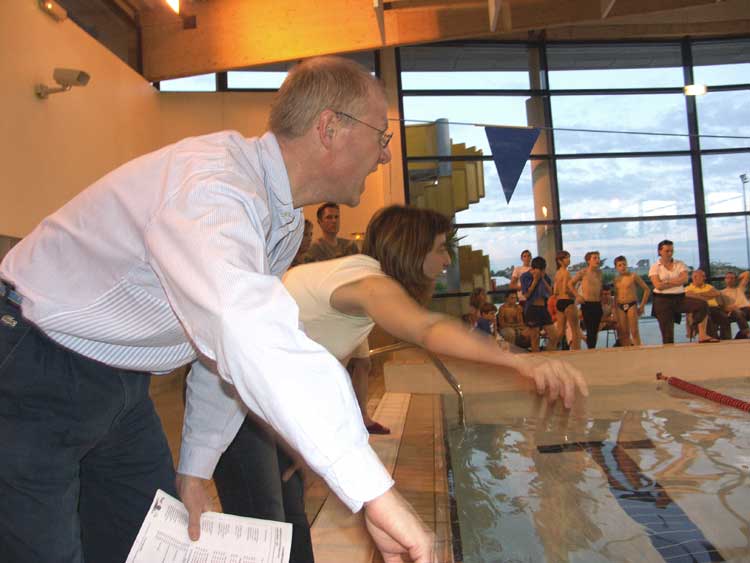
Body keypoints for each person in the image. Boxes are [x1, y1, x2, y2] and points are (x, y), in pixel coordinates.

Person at [0, 56, 437, 563]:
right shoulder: (214, 186)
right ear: (329, 128)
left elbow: (218, 351)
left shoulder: (280, 221)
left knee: (147, 549)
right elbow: (244, 328)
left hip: (121, 382)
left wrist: (195, 468)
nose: (385, 155)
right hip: (35, 362)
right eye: (382, 136)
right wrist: (373, 491)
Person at [208, 206, 589, 560]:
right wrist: (519, 361)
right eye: (440, 248)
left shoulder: (358, 286)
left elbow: (327, 370)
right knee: (266, 532)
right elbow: (426, 328)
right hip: (231, 407)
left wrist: (306, 439)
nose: (447, 260)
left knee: (289, 526)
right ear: (412, 249)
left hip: (260, 405)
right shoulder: (366, 282)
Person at [304, 202, 387, 434]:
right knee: (334, 368)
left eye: (336, 217)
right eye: (329, 217)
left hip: (352, 314)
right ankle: (332, 419)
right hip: (330, 317)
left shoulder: (349, 246)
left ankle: (363, 416)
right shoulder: (314, 251)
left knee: (364, 362)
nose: (333, 221)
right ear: (320, 222)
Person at [648, 239, 710, 345]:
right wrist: (676, 281)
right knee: (667, 334)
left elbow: (684, 279)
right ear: (660, 251)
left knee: (702, 305)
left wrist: (667, 282)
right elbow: (658, 286)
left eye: (671, 251)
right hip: (662, 301)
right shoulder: (655, 267)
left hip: (679, 298)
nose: (670, 253)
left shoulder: (680, 264)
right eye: (667, 251)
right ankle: (669, 353)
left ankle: (694, 325)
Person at [521, 256, 559, 352]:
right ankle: (536, 358)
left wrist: (542, 278)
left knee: (554, 336)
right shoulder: (525, 276)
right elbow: (526, 295)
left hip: (543, 308)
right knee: (535, 338)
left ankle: (549, 355)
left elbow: (551, 292)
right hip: (532, 308)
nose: (542, 272)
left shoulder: (545, 276)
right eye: (540, 270)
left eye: (543, 270)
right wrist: (535, 280)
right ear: (533, 269)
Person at [612, 256, 650, 346]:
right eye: (620, 265)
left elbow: (647, 289)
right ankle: (627, 351)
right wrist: (614, 312)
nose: (622, 267)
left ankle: (638, 349)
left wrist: (642, 306)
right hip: (620, 306)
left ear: (627, 265)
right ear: (616, 267)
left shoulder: (633, 276)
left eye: (624, 264)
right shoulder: (616, 280)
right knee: (624, 333)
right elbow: (616, 296)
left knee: (634, 331)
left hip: (631, 304)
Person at [569, 251, 603, 349]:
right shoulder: (583, 272)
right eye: (595, 258)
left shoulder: (599, 273)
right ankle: (590, 350)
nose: (597, 260)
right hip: (587, 303)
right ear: (588, 261)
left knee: (595, 330)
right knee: (590, 330)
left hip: (597, 303)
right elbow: (570, 284)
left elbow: (599, 288)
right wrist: (577, 296)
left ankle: (592, 349)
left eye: (598, 258)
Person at [686, 269, 729, 340]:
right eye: (702, 276)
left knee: (724, 317)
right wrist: (708, 295)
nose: (705, 278)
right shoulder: (688, 289)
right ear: (695, 277)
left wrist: (697, 294)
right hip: (700, 310)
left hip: (714, 308)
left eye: (704, 276)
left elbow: (716, 293)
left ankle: (726, 339)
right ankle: (712, 337)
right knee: (706, 316)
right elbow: (691, 297)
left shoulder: (709, 286)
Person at [552, 250, 581, 350]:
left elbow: (555, 291)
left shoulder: (557, 273)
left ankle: (551, 348)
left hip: (559, 302)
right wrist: (576, 290)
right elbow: (566, 289)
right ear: (560, 261)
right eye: (566, 258)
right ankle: (577, 353)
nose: (569, 260)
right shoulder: (566, 273)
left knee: (560, 331)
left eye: (569, 257)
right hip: (568, 302)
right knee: (575, 330)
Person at [721, 270, 750, 339]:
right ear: (725, 280)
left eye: (732, 278)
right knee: (737, 312)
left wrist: (736, 279)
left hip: (747, 309)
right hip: (734, 311)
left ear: (735, 279)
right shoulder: (722, 292)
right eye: (728, 278)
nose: (730, 280)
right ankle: (748, 333)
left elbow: (747, 273)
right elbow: (722, 306)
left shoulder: (740, 288)